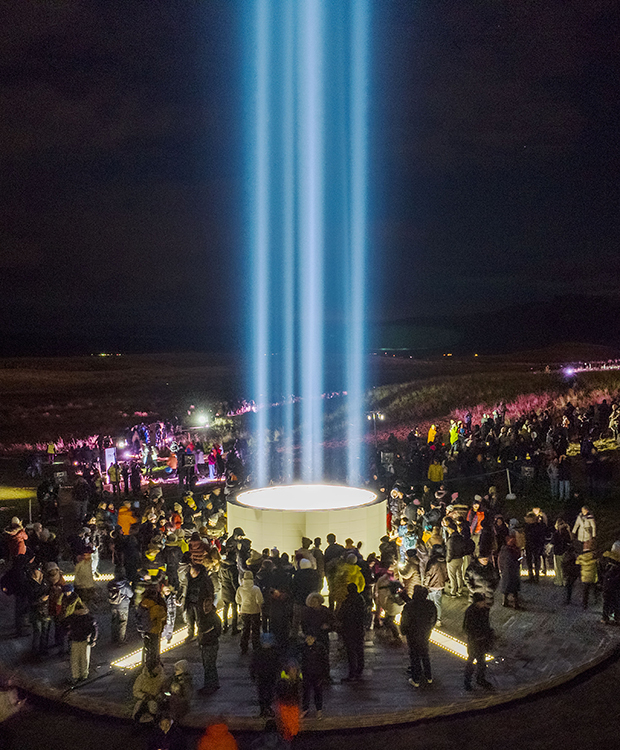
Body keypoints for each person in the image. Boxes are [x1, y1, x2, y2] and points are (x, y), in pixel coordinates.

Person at [400, 585, 437, 687]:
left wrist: (403, 631)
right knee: (425, 653)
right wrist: (429, 627)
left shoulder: (410, 606)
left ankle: (415, 679)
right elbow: (433, 618)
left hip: (412, 634)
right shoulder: (430, 605)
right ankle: (428, 676)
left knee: (414, 655)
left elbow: (405, 621)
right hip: (425, 632)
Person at [462, 592, 494, 691]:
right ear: (478, 602)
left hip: (482, 640)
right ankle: (467, 681)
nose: (484, 603)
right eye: (482, 601)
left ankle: (480, 679)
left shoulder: (484, 610)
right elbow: (467, 628)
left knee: (482, 662)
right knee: (471, 661)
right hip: (475, 641)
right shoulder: (471, 612)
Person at [338, 582, 365, 681]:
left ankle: (352, 672)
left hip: (349, 628)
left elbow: (341, 615)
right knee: (359, 649)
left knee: (351, 651)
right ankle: (359, 669)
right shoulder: (361, 600)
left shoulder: (347, 602)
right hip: (359, 628)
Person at [180, 564, 214, 641]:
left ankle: (200, 635)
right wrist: (180, 597)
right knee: (189, 620)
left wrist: (209, 602)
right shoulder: (187, 577)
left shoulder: (204, 580)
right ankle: (190, 634)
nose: (191, 573)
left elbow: (210, 591)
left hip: (199, 603)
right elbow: (182, 587)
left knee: (200, 620)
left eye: (193, 572)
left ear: (198, 572)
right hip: (189, 603)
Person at [65, 603, 98, 684]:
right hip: (84, 641)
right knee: (84, 659)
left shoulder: (72, 618)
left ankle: (76, 676)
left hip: (76, 640)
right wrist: (93, 640)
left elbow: (65, 626)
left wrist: (69, 635)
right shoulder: (89, 618)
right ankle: (84, 676)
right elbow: (94, 630)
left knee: (75, 660)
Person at [251, 633, 281, 717]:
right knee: (263, 693)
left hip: (270, 675)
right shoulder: (260, 652)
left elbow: (278, 664)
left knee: (269, 692)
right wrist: (253, 674)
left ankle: (266, 707)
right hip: (263, 675)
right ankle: (264, 708)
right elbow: (253, 664)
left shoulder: (273, 652)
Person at [138, 585, 167, 670]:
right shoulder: (156, 605)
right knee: (155, 647)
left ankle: (144, 662)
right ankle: (154, 663)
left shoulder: (143, 603)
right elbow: (163, 615)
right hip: (155, 629)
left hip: (145, 628)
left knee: (146, 646)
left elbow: (138, 615)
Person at [197, 597, 222, 695]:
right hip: (205, 644)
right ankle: (213, 684)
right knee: (208, 665)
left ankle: (209, 685)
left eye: (207, 606)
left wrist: (206, 636)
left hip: (210, 645)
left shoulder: (214, 618)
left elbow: (217, 632)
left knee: (209, 666)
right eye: (204, 606)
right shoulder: (204, 616)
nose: (205, 608)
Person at [300, 634, 328, 718]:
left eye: (311, 638)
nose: (309, 640)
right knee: (306, 692)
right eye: (307, 638)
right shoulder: (303, 648)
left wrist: (324, 674)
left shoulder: (320, 648)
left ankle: (319, 710)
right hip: (307, 673)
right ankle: (305, 709)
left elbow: (325, 661)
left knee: (318, 692)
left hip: (317, 674)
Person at [236, 571, 264, 655]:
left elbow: (238, 600)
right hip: (255, 611)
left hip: (244, 611)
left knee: (245, 629)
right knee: (255, 629)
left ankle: (244, 647)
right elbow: (260, 600)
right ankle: (256, 646)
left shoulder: (240, 589)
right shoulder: (256, 589)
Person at [274, 662, 302, 744]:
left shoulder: (296, 681)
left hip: (292, 706)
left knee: (292, 728)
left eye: (295, 671)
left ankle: (289, 740)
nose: (294, 672)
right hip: (286, 706)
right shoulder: (283, 682)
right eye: (292, 671)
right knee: (287, 727)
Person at [424, 544, 447, 627]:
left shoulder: (432, 562)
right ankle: (438, 619)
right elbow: (446, 573)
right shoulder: (444, 561)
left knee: (430, 602)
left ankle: (430, 618)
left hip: (432, 585)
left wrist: (425, 585)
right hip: (440, 585)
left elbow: (428, 574)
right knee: (438, 603)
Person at [107, 576, 134, 645]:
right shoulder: (125, 585)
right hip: (123, 606)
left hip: (113, 605)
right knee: (122, 623)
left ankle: (113, 638)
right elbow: (131, 595)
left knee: (114, 622)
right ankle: (120, 640)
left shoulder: (111, 584)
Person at [498, 537, 521, 609]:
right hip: (513, 572)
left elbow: (500, 560)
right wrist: (520, 559)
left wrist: (500, 569)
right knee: (514, 589)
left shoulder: (503, 550)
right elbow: (517, 560)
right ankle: (515, 604)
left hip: (505, 572)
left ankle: (504, 601)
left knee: (506, 588)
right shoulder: (514, 551)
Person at [575, 540, 598, 610]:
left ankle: (585, 604)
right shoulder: (594, 556)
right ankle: (596, 600)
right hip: (593, 576)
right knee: (594, 589)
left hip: (585, 577)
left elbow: (577, 563)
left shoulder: (581, 557)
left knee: (585, 591)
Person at [601, 542, 620, 625]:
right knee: (617, 601)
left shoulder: (606, 557)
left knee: (606, 601)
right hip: (616, 585)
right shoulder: (618, 562)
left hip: (606, 584)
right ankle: (617, 618)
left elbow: (601, 569)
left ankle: (605, 617)